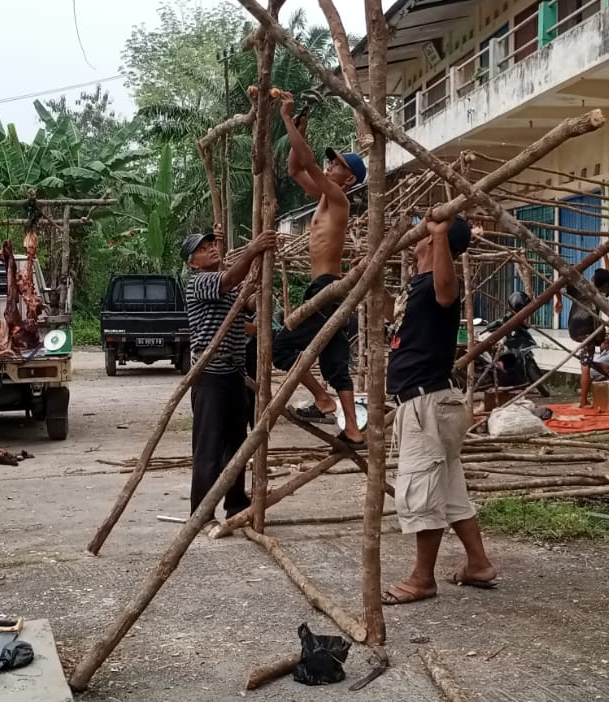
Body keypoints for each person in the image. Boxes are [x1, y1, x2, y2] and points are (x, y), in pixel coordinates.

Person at [381, 215, 495, 605]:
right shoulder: (417, 286)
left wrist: (441, 233)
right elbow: (394, 321)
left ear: (435, 243)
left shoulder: (438, 283)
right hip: (426, 402)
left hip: (426, 402)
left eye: (424, 233)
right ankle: (478, 562)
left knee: (421, 490)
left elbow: (448, 293)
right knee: (448, 489)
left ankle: (421, 578)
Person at [269, 91, 367, 449]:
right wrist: (300, 130)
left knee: (281, 349)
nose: (330, 167)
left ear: (349, 179)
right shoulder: (326, 197)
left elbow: (307, 162)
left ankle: (324, 400)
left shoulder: (339, 198)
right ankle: (353, 429)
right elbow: (296, 168)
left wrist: (285, 120)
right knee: (335, 360)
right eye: (332, 163)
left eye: (338, 165)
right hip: (329, 288)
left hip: (325, 286)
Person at [181, 225, 277, 524]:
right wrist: (254, 249)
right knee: (209, 446)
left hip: (234, 372)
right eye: (202, 248)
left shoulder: (224, 284)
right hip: (210, 374)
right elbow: (231, 278)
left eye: (212, 244)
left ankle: (235, 503)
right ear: (191, 263)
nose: (210, 248)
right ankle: (201, 511)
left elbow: (246, 298)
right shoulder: (199, 282)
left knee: (237, 442)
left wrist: (259, 287)